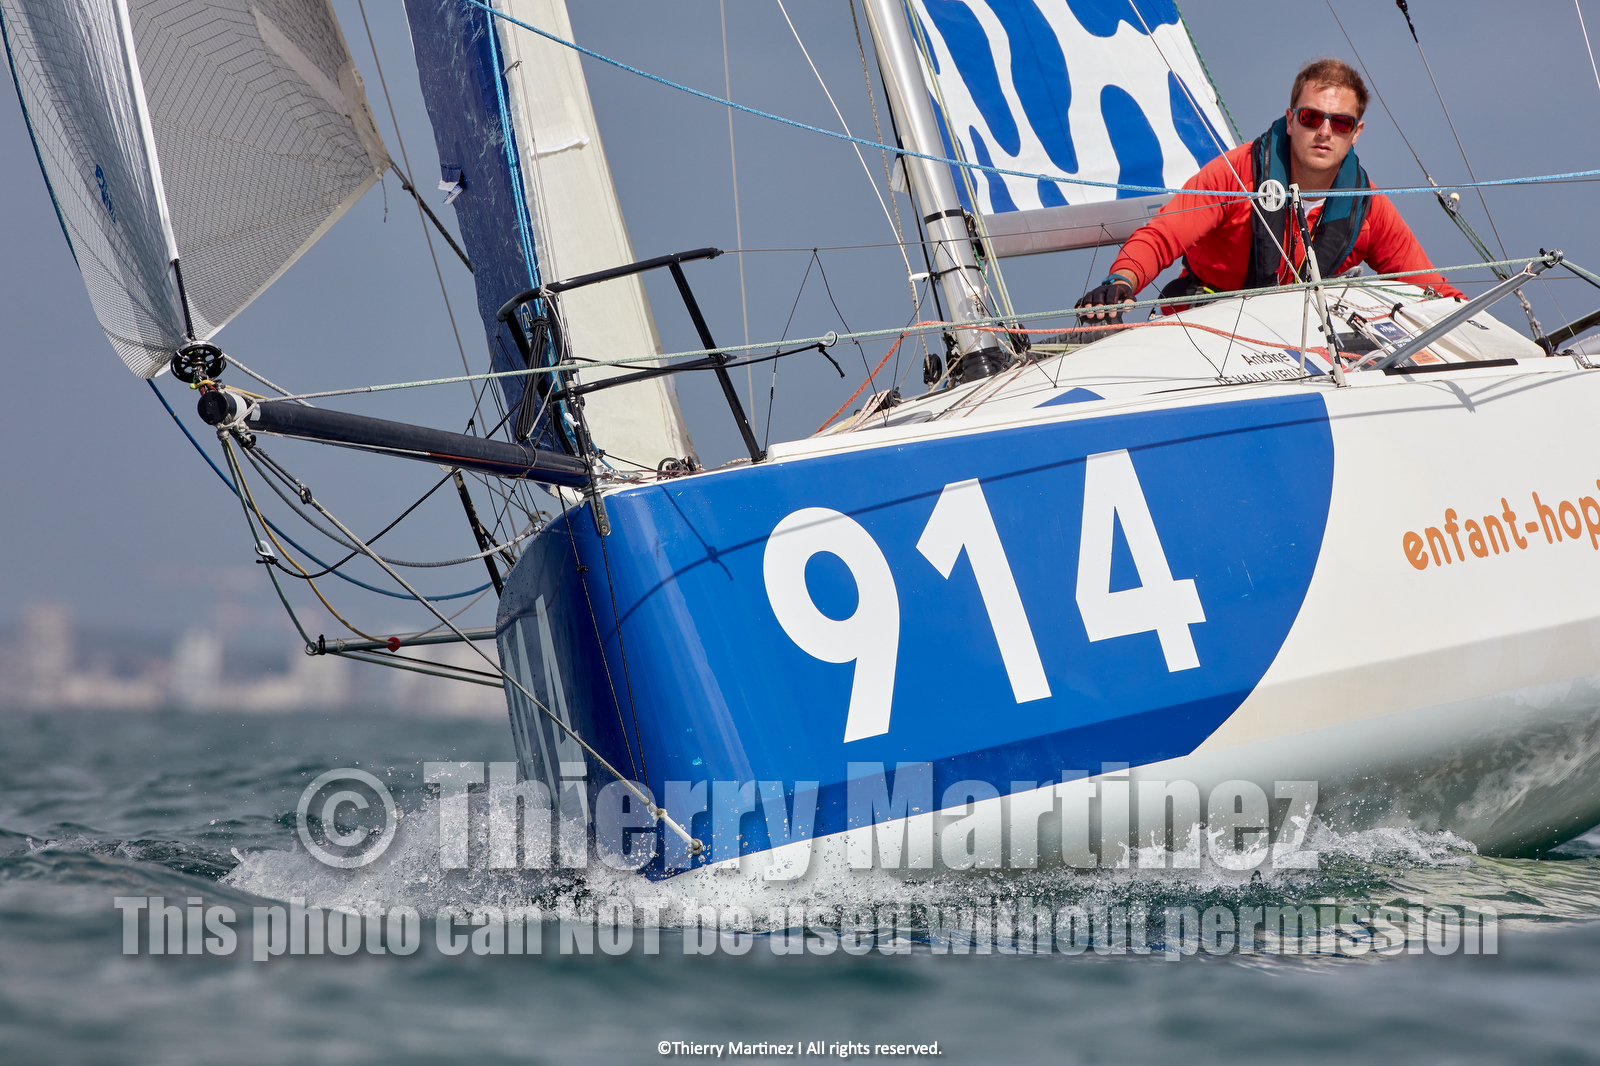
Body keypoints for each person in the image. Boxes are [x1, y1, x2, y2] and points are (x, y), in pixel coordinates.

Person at [1075, 58, 1463, 323]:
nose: (1324, 132)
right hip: (1202, 331)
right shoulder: (1236, 174)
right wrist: (1121, 280)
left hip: (1296, 349)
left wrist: (1466, 315)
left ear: (1356, 132)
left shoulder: (1366, 206)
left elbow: (1429, 287)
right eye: (1311, 117)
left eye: (1341, 123)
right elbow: (1163, 235)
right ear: (1291, 121)